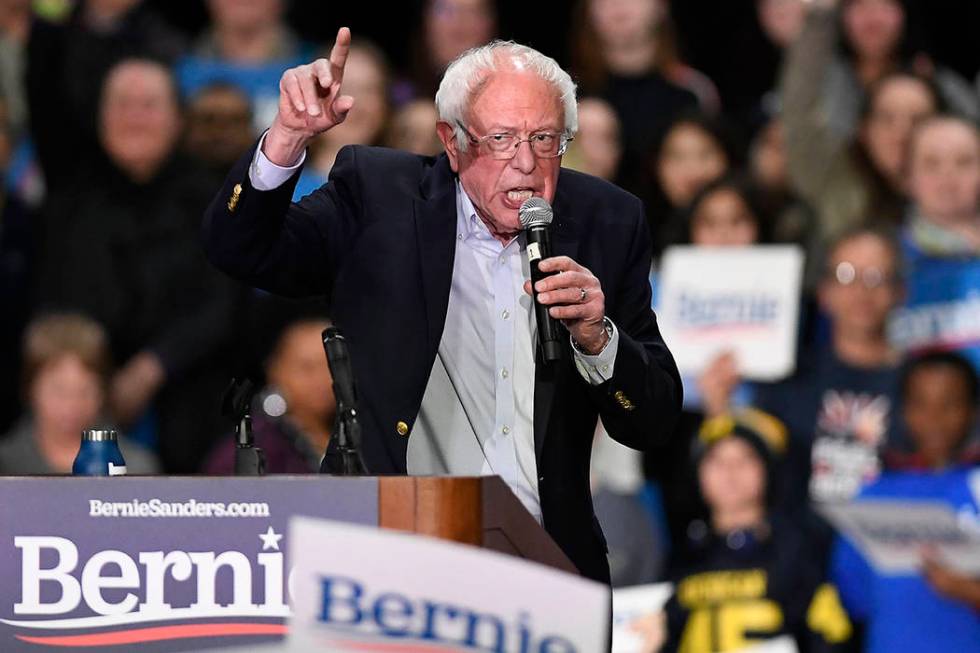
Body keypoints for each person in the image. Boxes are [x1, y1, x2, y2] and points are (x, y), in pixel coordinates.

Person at [202, 30, 682, 584]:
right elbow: (239, 248)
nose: (526, 163)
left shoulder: (609, 221)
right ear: (451, 143)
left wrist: (599, 339)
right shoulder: (379, 198)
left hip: (546, 566)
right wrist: (286, 139)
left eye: (546, 139)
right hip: (391, 557)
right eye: (501, 138)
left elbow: (654, 418)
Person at [35, 58, 238, 473]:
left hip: (194, 399)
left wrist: (152, 367)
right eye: (121, 104)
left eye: (149, 104)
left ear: (178, 118)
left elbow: (223, 304)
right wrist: (94, 370)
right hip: (87, 394)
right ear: (100, 116)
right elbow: (51, 302)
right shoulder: (69, 203)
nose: (134, 117)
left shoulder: (213, 198)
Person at [661, 409, 853, 652]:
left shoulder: (796, 552)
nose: (729, 472)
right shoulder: (682, 555)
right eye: (716, 460)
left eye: (745, 459)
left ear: (767, 471)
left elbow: (832, 637)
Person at [831, 351, 980, 652]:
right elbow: (852, 592)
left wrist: (968, 591)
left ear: (973, 411)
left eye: (950, 404)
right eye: (920, 405)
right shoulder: (873, 496)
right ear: (903, 412)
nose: (934, 419)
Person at [781, 0, 948, 239]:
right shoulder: (835, 182)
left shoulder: (960, 194)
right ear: (863, 130)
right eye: (887, 118)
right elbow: (799, 111)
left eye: (918, 119)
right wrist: (819, 19)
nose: (901, 132)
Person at [0, 313, 158, 475]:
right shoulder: (5, 464)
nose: (71, 405)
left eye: (85, 392)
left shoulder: (134, 466)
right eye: (59, 391)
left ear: (103, 392)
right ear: (30, 389)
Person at [889, 116, 980, 372]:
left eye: (964, 162)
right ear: (907, 177)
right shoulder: (885, 262)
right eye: (931, 164)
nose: (948, 176)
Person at [205, 317, 335, 474]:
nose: (322, 379)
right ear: (276, 372)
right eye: (307, 368)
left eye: (331, 365)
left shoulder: (362, 437)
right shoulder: (251, 449)